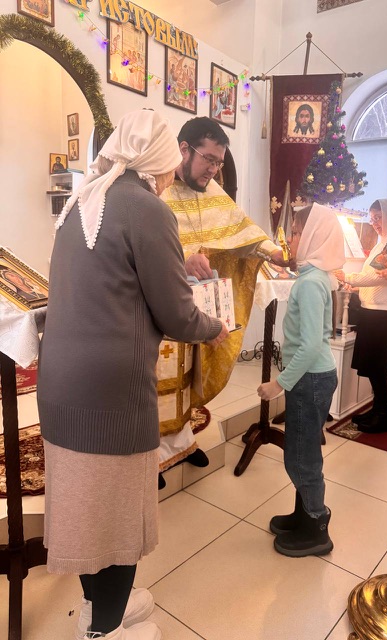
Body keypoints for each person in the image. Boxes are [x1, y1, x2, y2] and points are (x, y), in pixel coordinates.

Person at [37, 110, 228, 640]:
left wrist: (177, 269)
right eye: (170, 168)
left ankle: (94, 608)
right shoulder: (148, 208)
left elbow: (116, 276)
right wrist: (214, 328)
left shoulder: (82, 200)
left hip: (60, 386)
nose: (170, 178)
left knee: (85, 512)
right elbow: (177, 314)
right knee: (118, 518)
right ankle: (107, 629)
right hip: (112, 395)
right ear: (161, 162)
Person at [157, 116, 286, 479]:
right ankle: (152, 454)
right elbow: (145, 249)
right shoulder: (158, 191)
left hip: (200, 306)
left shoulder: (214, 192)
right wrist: (183, 259)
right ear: (185, 150)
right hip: (164, 307)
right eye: (209, 160)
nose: (214, 170)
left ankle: (181, 442)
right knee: (161, 380)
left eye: (218, 162)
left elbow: (243, 233)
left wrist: (274, 252)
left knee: (191, 375)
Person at [257, 203, 345, 557]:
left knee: (301, 456)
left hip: (309, 379)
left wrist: (279, 383)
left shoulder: (310, 283)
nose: (290, 239)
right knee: (301, 449)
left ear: (313, 236)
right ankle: (302, 513)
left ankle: (316, 526)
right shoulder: (315, 276)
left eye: (295, 232)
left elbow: (309, 346)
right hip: (313, 377)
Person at [335, 199, 387, 434]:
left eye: (378, 218)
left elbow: (379, 275)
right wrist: (357, 286)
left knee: (375, 361)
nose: (375, 223)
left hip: (384, 311)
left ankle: (383, 415)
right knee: (374, 361)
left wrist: (348, 277)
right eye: (371, 219)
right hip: (376, 308)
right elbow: (373, 274)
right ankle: (379, 408)